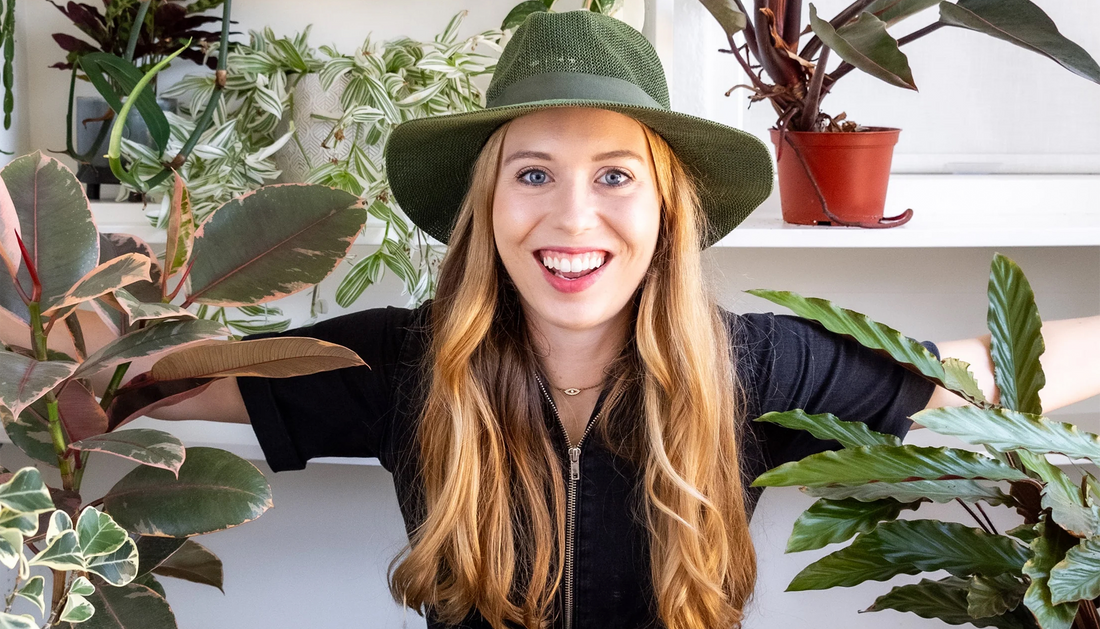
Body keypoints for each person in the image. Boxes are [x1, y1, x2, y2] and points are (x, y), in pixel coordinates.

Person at [15, 10, 1100, 629]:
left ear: (667, 208)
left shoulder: (754, 363)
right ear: (486, 203)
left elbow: (982, 383)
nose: (571, 217)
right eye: (532, 172)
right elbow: (122, 377)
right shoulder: (398, 360)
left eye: (615, 175)